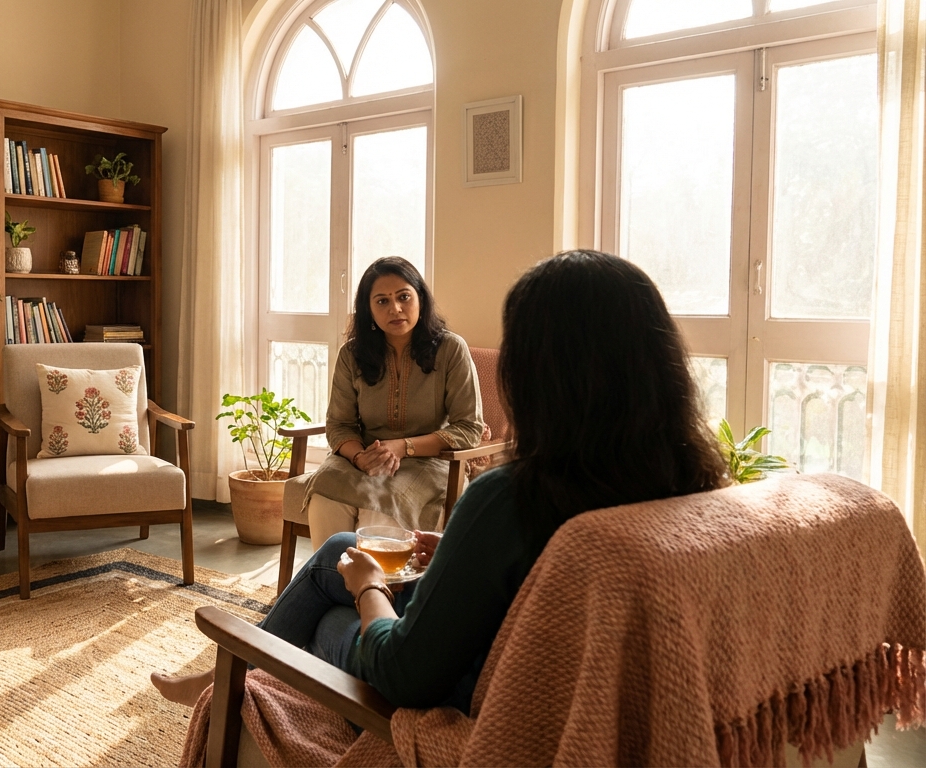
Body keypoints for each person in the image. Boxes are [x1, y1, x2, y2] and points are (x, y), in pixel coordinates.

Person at [152, 250, 727, 712]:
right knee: (336, 549)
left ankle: (240, 675)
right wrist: (451, 546)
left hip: (467, 687)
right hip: (515, 650)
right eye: (382, 300)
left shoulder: (509, 498)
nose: (395, 307)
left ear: (539, 375)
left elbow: (404, 673)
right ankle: (230, 671)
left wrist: (369, 590)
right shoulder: (699, 490)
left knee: (329, 615)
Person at [302, 256, 485, 546]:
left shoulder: (451, 349)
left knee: (381, 508)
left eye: (403, 297)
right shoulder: (351, 355)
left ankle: (378, 577)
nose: (395, 308)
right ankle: (329, 575)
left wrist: (403, 447)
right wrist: (360, 457)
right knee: (324, 492)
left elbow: (469, 428)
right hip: (363, 458)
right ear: (368, 309)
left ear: (420, 298)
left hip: (431, 462)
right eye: (382, 301)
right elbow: (339, 424)